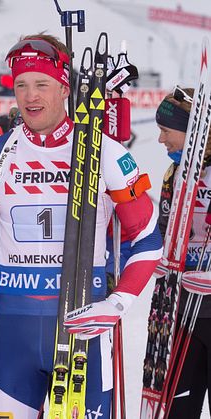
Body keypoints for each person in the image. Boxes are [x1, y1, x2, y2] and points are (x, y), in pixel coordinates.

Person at [0, 34, 163, 418]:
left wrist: (118, 302)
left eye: (42, 84)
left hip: (85, 330)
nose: (31, 96)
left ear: (64, 88)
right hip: (14, 334)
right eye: (22, 85)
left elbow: (147, 239)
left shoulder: (107, 153)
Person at [155, 86, 211, 419]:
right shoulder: (174, 174)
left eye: (165, 131)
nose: (161, 140)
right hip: (182, 308)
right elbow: (165, 234)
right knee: (179, 409)